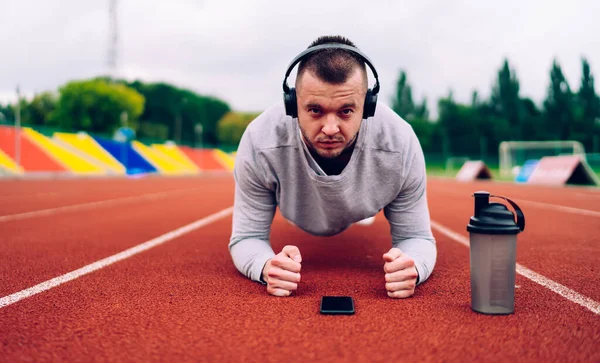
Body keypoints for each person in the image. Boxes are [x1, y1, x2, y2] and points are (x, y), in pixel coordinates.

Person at [228, 35, 437, 298]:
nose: (330, 128)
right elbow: (247, 237)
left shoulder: (400, 144)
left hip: (363, 197)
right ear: (292, 105)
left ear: (368, 107)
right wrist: (266, 267)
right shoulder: (260, 141)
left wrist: (413, 266)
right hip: (301, 210)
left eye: (346, 111)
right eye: (315, 110)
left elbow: (417, 237)